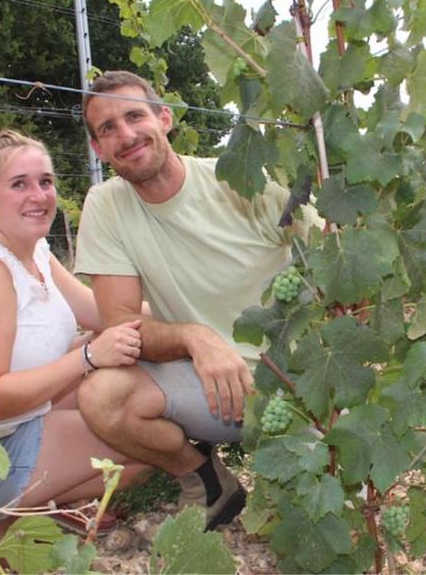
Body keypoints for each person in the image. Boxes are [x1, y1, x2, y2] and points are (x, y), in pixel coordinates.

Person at [74, 71, 321, 529]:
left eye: (134, 116)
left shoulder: (241, 182)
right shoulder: (106, 205)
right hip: (210, 390)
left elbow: (333, 259)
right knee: (102, 393)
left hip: (292, 387)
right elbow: (120, 322)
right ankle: (206, 479)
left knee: (315, 518)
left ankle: (298, 448)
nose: (125, 135)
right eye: (107, 129)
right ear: (98, 149)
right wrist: (195, 337)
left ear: (164, 118)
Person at [0, 130, 152, 540]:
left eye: (46, 181)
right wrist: (88, 356)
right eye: (19, 184)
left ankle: (36, 504)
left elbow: (99, 311)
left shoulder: (33, 250)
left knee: (130, 394)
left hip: (10, 422)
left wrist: (185, 309)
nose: (39, 195)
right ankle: (6, 514)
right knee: (143, 445)